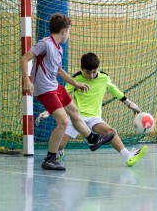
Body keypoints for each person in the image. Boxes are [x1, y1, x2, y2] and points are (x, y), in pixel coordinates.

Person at [20, 13, 115, 171]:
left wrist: (75, 83)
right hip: (45, 89)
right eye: (69, 31)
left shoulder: (58, 49)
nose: (69, 35)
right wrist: (27, 80)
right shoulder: (45, 44)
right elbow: (24, 59)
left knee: (74, 111)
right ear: (63, 31)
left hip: (55, 86)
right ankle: (50, 158)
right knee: (63, 121)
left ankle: (92, 139)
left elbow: (58, 70)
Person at [36, 52, 148, 167]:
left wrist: (129, 104)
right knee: (59, 145)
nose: (91, 76)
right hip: (76, 118)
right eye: (88, 72)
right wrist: (48, 111)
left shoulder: (104, 78)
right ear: (82, 69)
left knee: (111, 132)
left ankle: (128, 156)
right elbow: (60, 95)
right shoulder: (75, 79)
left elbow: (115, 91)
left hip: (94, 118)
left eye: (94, 72)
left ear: (97, 69)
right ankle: (58, 153)